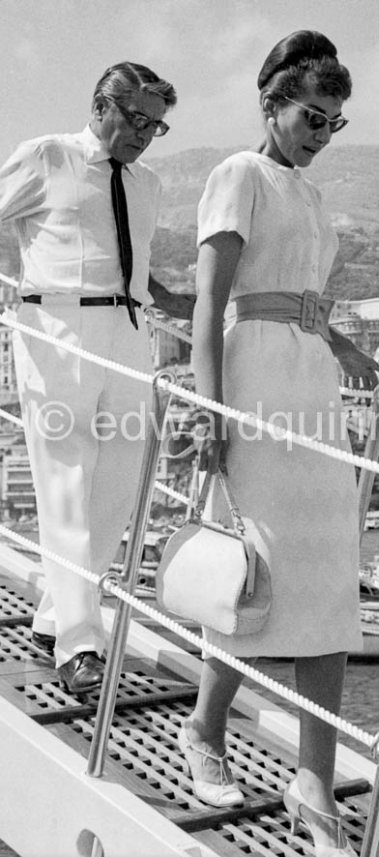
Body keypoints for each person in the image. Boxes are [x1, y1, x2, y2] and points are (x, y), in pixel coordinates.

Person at [185, 31, 368, 857]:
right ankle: (204, 727)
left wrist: (348, 348)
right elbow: (210, 302)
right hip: (255, 389)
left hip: (312, 390)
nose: (319, 132)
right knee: (254, 574)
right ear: (272, 104)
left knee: (328, 581)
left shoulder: (313, 197)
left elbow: (306, 299)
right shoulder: (239, 175)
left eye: (333, 122)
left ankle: (313, 781)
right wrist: (209, 408)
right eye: (309, 115)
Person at [0, 61, 191, 694]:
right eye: (137, 119)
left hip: (130, 333)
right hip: (55, 328)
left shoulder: (148, 183)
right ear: (100, 106)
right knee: (65, 476)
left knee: (118, 482)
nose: (143, 134)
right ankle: (80, 642)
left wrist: (175, 299)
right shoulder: (46, 157)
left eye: (156, 126)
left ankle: (56, 614)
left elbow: (125, 258)